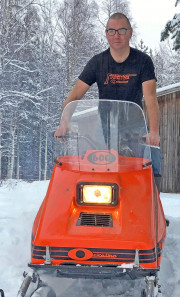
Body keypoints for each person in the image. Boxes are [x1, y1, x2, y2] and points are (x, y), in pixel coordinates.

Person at [55, 12, 162, 189]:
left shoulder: (143, 61)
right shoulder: (97, 63)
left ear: (130, 32)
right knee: (96, 173)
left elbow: (150, 98)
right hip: (104, 129)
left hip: (134, 127)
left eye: (121, 30)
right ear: (106, 34)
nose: (116, 35)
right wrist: (64, 122)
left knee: (151, 160)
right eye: (111, 31)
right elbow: (74, 96)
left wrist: (154, 131)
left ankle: (152, 205)